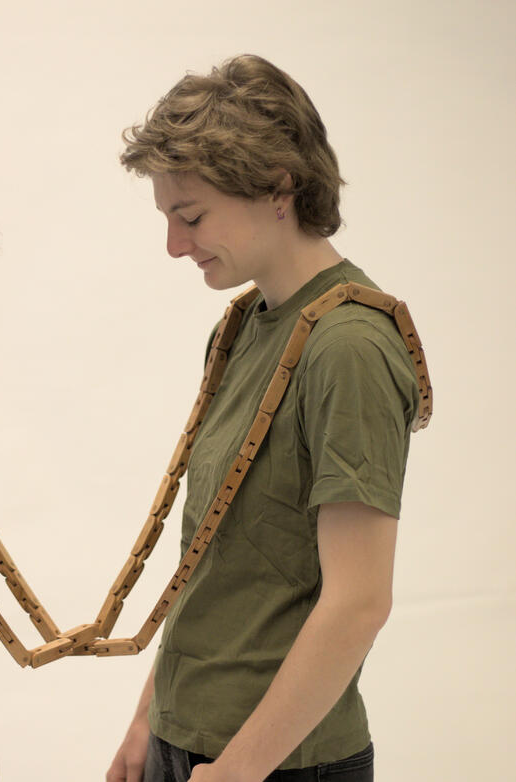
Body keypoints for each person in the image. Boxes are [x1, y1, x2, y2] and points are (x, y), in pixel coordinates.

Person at [106, 55, 421, 782]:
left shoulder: (347, 345)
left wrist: (238, 769)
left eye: (190, 216)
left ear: (277, 187)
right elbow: (213, 555)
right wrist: (147, 720)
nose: (173, 245)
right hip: (188, 743)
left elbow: (359, 601)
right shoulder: (247, 322)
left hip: (275, 763)